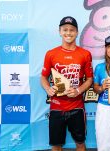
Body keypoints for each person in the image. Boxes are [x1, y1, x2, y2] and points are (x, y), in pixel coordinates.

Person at [41, 16, 93, 151]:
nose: (68, 33)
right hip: (56, 106)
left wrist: (78, 90)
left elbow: (89, 79)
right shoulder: (51, 54)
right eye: (65, 30)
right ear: (59, 31)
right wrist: (47, 88)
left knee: (80, 143)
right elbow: (43, 77)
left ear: (77, 32)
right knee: (56, 145)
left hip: (77, 107)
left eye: (72, 30)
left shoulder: (85, 54)